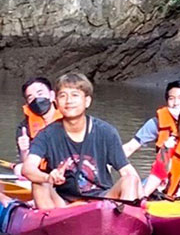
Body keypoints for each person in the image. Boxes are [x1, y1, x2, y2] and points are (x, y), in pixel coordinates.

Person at [19, 73, 142, 208]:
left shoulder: (106, 132)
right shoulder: (46, 135)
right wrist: (48, 177)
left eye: (75, 95)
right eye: (63, 96)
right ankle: (52, 225)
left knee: (130, 180)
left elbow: (127, 172)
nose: (69, 101)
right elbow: (28, 168)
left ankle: (123, 222)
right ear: (56, 101)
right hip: (63, 204)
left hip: (103, 201)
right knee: (38, 182)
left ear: (87, 101)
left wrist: (142, 200)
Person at [122, 79, 180, 158]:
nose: (176, 103)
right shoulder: (156, 123)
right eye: (171, 98)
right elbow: (130, 147)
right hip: (168, 168)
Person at [16, 76, 59, 158]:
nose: (36, 99)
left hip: (64, 166)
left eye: (40, 94)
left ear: (52, 95)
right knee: (19, 168)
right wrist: (23, 151)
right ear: (27, 103)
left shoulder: (67, 119)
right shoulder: (24, 127)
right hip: (36, 168)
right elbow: (25, 162)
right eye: (30, 97)